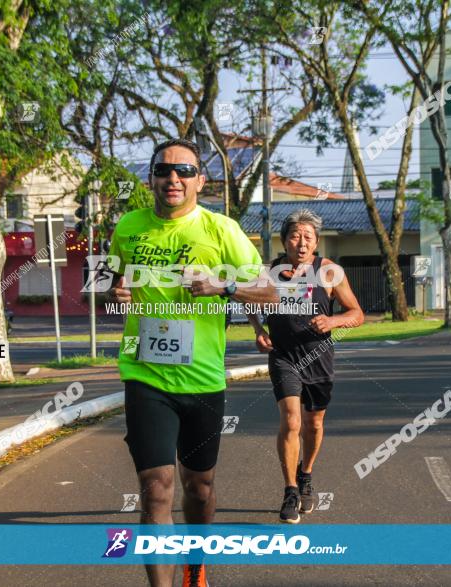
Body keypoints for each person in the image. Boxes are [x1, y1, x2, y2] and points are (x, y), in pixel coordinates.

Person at [105, 138, 278, 587]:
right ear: (151, 179)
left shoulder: (223, 230)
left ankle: (195, 567)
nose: (173, 178)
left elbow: (270, 291)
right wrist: (115, 291)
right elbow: (111, 280)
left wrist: (222, 288)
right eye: (164, 170)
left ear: (201, 180)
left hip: (202, 378)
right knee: (156, 487)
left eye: (184, 170)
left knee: (198, 488)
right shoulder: (128, 226)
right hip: (145, 374)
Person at [247, 209, 364, 524]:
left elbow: (356, 313)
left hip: (319, 356)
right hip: (284, 355)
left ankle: (306, 473)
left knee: (313, 424)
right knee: (292, 421)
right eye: (295, 236)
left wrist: (333, 320)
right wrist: (258, 330)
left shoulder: (329, 273)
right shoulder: (269, 272)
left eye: (308, 238)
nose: (301, 243)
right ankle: (289, 491)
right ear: (284, 240)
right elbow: (248, 300)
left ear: (315, 242)